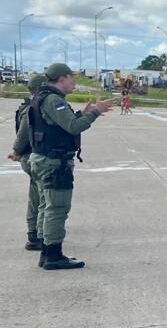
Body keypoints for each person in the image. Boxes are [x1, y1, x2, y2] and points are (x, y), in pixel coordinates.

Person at [21, 63, 115, 269]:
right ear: (62, 78)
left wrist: (82, 113)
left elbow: (62, 124)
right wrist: (95, 113)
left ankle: (47, 253)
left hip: (42, 159)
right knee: (57, 208)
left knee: (46, 207)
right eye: (71, 78)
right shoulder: (54, 100)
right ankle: (53, 256)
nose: (74, 82)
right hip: (54, 163)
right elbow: (73, 127)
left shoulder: (42, 97)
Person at [9, 74, 46, 251]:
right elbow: (23, 134)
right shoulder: (33, 107)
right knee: (39, 198)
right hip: (33, 157)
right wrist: (17, 150)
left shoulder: (27, 105)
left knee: (37, 195)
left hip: (29, 157)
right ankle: (35, 234)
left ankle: (36, 232)